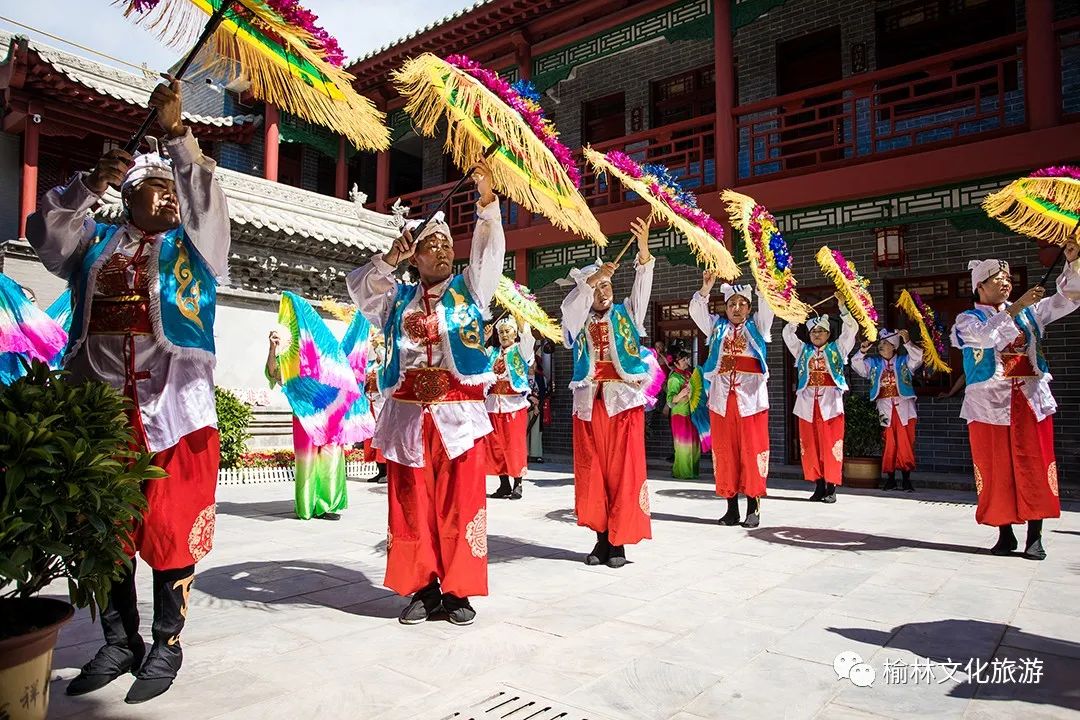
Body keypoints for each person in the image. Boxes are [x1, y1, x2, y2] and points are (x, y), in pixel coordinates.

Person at [26, 78, 228, 703]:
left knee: (169, 527)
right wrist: (90, 184)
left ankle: (167, 641)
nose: (171, 200)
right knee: (104, 526)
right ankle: (119, 639)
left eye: (174, 191)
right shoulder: (96, 241)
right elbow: (45, 233)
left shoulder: (197, 247)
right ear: (131, 197)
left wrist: (178, 140)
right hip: (101, 410)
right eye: (157, 189)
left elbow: (208, 204)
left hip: (175, 410)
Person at [348, 164, 501, 626]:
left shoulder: (471, 291)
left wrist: (487, 202)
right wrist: (388, 259)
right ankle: (422, 588)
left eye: (446, 245)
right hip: (408, 416)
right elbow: (360, 289)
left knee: (461, 504)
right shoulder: (397, 300)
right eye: (430, 246)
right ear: (414, 257)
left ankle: (458, 592)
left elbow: (489, 253)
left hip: (459, 415)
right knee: (412, 504)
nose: (442, 251)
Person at [950, 243, 1080, 560]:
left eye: (1007, 277)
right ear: (979, 286)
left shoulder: (1031, 311)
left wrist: (1073, 263)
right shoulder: (967, 319)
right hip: (989, 404)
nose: (1005, 282)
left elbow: (1068, 299)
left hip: (1030, 396)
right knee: (996, 468)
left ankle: (1034, 536)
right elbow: (984, 338)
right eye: (997, 277)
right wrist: (1015, 307)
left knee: (1036, 464)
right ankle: (1004, 532)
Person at [561, 218, 654, 569]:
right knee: (592, 472)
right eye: (598, 286)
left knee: (624, 471)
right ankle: (600, 540)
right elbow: (571, 307)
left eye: (607, 284)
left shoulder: (628, 312)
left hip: (623, 403)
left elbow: (642, 284)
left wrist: (643, 249)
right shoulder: (576, 319)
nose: (604, 290)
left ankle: (619, 542)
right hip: (588, 404)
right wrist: (591, 282)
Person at [691, 278, 775, 527]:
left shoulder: (758, 326)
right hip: (721, 399)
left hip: (751, 400)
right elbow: (696, 311)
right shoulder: (716, 327)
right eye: (731, 304)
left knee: (752, 451)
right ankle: (731, 508)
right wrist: (705, 288)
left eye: (742, 304)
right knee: (725, 453)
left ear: (749, 308)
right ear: (725, 308)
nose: (736, 308)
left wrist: (763, 282)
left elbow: (768, 306)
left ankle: (753, 507)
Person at [265, 320, 354, 521]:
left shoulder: (328, 357)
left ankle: (327, 505)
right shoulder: (291, 361)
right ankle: (306, 505)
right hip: (304, 417)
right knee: (306, 460)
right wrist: (273, 349)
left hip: (329, 417)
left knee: (330, 458)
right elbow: (274, 373)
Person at [782, 302, 858, 503]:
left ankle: (831, 486)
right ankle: (818, 485)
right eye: (814, 331)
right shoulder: (802, 350)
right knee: (810, 445)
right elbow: (788, 336)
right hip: (807, 402)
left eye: (821, 331)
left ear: (828, 333)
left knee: (830, 443)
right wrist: (796, 316)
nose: (817, 334)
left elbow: (851, 330)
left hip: (830, 403)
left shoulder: (838, 348)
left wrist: (843, 308)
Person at [851, 329, 923, 492]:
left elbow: (918, 357)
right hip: (885, 407)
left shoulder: (905, 361)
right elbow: (856, 365)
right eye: (881, 343)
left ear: (894, 347)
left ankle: (906, 479)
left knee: (906, 443)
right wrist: (862, 350)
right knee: (888, 442)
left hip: (904, 407)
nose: (881, 346)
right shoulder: (873, 364)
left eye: (885, 343)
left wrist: (908, 342)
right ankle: (890, 479)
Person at [485, 316, 535, 500]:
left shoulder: (520, 350)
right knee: (496, 446)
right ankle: (503, 484)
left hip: (513, 403)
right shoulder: (492, 352)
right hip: (493, 404)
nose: (504, 335)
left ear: (514, 334)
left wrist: (523, 322)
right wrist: (484, 338)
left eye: (507, 331)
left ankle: (518, 484)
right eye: (501, 332)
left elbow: (528, 340)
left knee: (514, 445)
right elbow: (476, 360)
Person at [663, 349, 700, 479]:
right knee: (683, 445)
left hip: (691, 413)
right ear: (676, 363)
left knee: (694, 444)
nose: (686, 361)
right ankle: (682, 472)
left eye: (686, 359)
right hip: (680, 414)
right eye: (683, 360)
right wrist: (681, 394)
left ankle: (692, 472)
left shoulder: (689, 374)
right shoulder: (674, 378)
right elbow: (670, 399)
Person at [364, 330, 388, 482]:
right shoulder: (369, 365)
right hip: (370, 402)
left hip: (381, 402)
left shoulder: (384, 362)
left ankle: (387, 471)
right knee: (371, 438)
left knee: (382, 436)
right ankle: (380, 471)